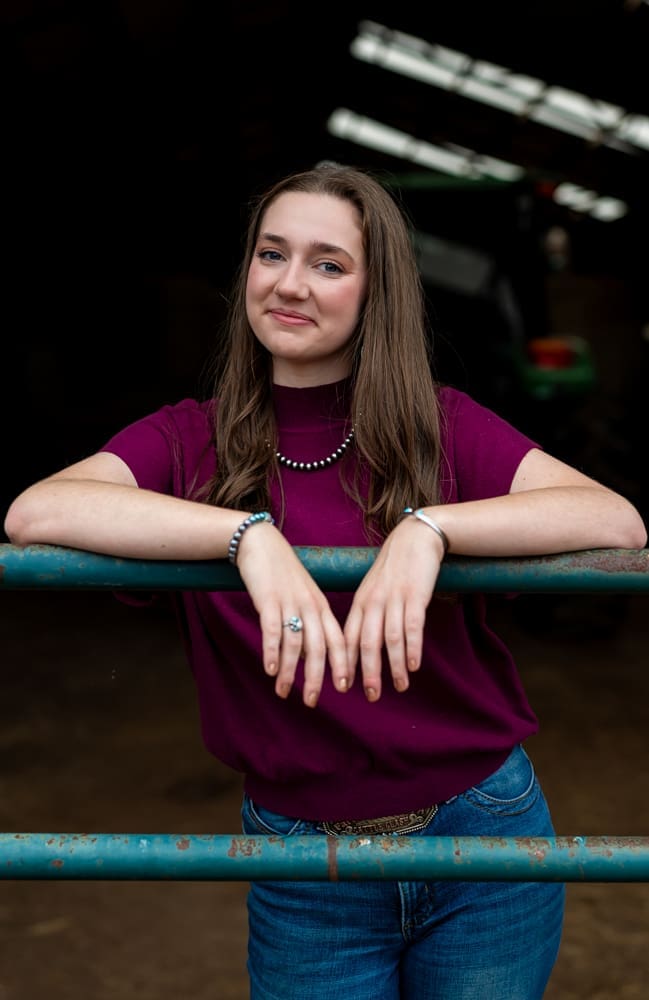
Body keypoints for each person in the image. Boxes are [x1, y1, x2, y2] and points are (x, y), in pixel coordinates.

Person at [5, 163, 646, 1000]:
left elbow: (615, 522)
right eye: (272, 255)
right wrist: (245, 535)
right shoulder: (187, 443)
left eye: (329, 263)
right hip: (305, 861)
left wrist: (429, 527)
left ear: (376, 292)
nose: (290, 284)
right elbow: (36, 512)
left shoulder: (439, 429)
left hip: (483, 839)